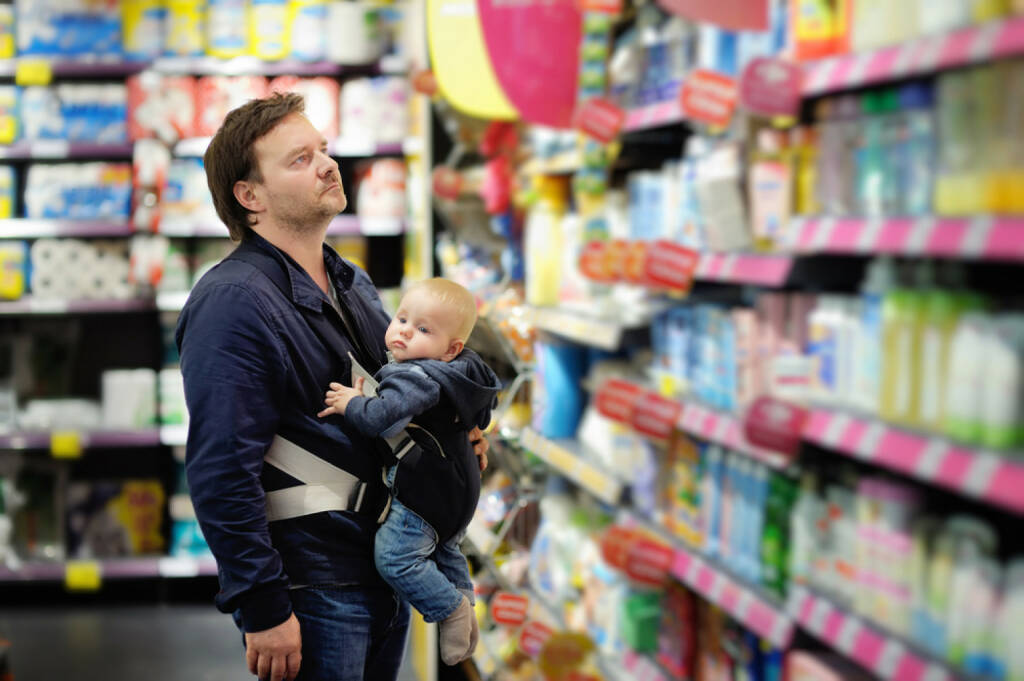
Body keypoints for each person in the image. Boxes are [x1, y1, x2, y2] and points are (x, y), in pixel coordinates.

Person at [175, 92, 488, 681]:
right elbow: (220, 469)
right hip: (314, 586)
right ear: (250, 197)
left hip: (378, 569)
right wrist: (262, 605)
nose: (327, 164)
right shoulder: (232, 304)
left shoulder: (347, 279)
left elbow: (409, 379)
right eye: (299, 159)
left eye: (323, 149)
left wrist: (461, 425)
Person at [317, 277, 499, 666]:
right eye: (401, 318)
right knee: (446, 551)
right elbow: (478, 416)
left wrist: (352, 402)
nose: (403, 331)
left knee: (395, 557)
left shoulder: (417, 376)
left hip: (425, 496)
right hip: (458, 493)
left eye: (423, 329)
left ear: (451, 350)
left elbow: (378, 416)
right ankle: (465, 606)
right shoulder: (464, 374)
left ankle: (449, 609)